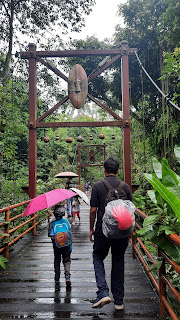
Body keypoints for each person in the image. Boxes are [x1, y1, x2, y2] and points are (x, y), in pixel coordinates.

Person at [89, 157, 133, 310]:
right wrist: (131, 231)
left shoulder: (97, 186)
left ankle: (103, 292)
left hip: (103, 230)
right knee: (118, 260)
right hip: (122, 231)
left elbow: (93, 210)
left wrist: (91, 229)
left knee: (98, 256)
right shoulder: (125, 186)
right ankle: (119, 301)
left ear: (104, 169)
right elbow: (130, 208)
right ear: (118, 170)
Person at [48, 203, 72, 287]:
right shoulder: (66, 222)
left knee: (57, 260)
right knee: (66, 260)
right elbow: (69, 234)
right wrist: (70, 247)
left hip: (57, 245)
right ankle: (67, 276)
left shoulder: (52, 223)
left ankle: (57, 277)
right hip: (67, 244)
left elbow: (50, 234)